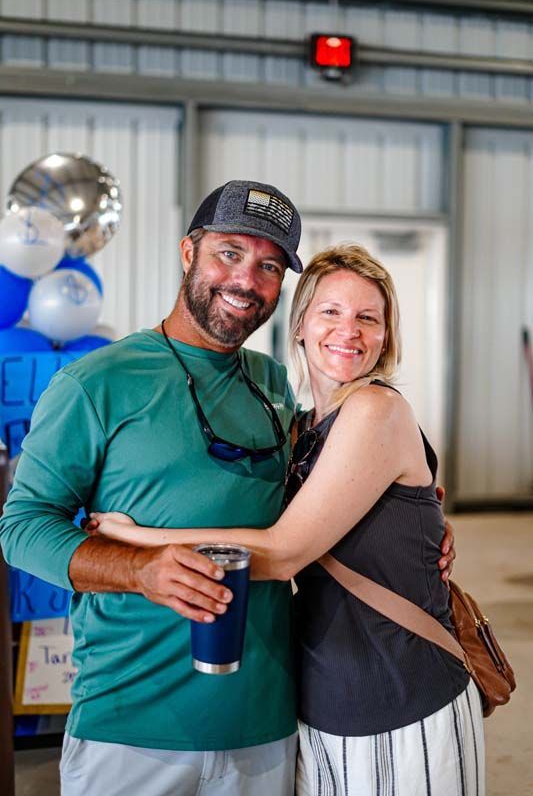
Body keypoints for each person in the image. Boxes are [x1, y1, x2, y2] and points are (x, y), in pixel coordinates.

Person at [0, 180, 454, 796]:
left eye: (270, 265)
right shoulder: (97, 382)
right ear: (189, 252)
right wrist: (139, 569)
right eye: (230, 253)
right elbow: (23, 529)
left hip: (266, 722)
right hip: (133, 722)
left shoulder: (271, 386)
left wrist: (423, 516)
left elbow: (337, 481)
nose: (247, 279)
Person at [90, 244, 481, 796]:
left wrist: (139, 537)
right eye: (330, 312)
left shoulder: (375, 410)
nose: (349, 330)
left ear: (386, 338)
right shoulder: (301, 430)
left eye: (368, 318)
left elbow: (281, 552)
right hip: (320, 702)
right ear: (299, 325)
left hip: (402, 697)